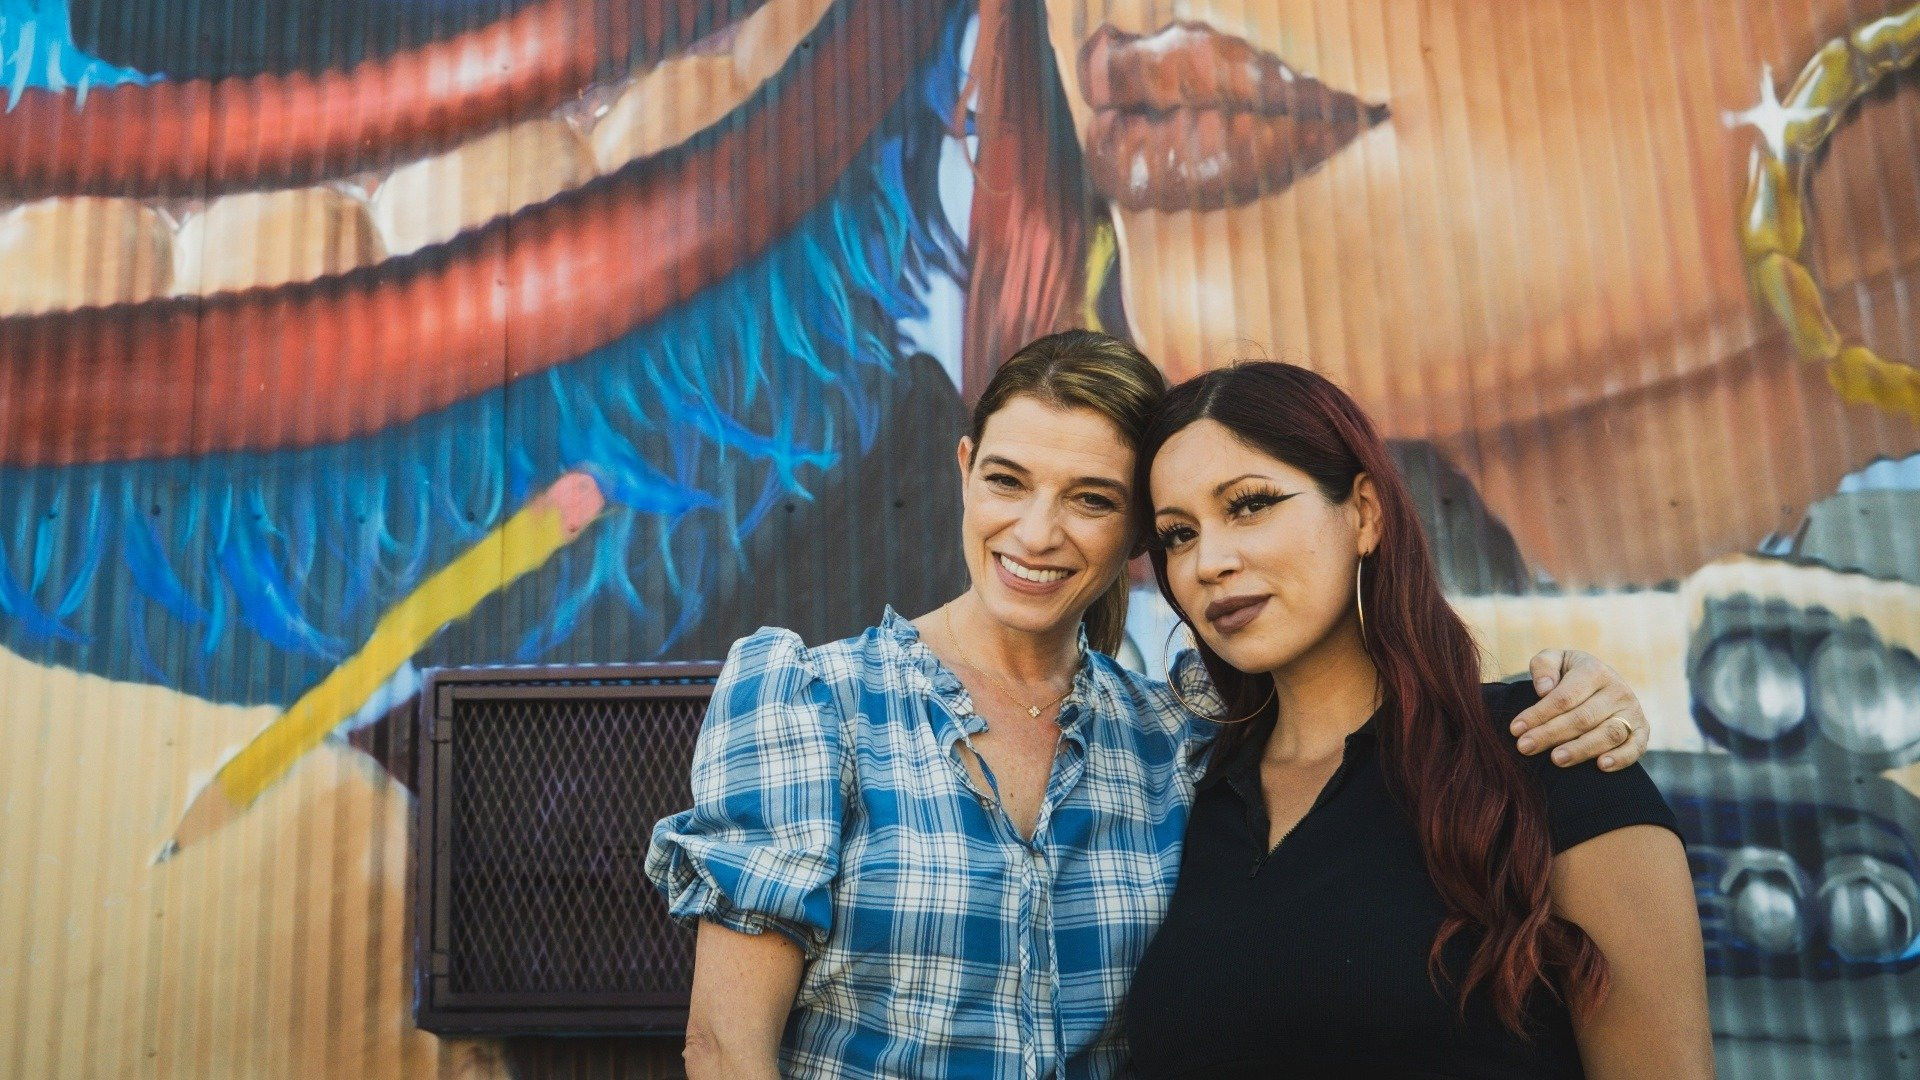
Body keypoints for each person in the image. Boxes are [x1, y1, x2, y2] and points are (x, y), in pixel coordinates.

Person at [647, 331, 1657, 1079]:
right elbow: (725, 1046)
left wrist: (1580, 689)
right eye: (1008, 480)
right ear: (965, 474)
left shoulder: (1176, 737)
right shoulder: (811, 700)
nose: (1035, 532)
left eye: (1090, 498)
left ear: (1136, 533)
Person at [1126, 360, 1711, 1078]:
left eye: (1249, 504)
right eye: (1177, 535)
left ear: (1366, 513)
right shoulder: (1184, 797)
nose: (1208, 561)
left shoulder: (1549, 751)